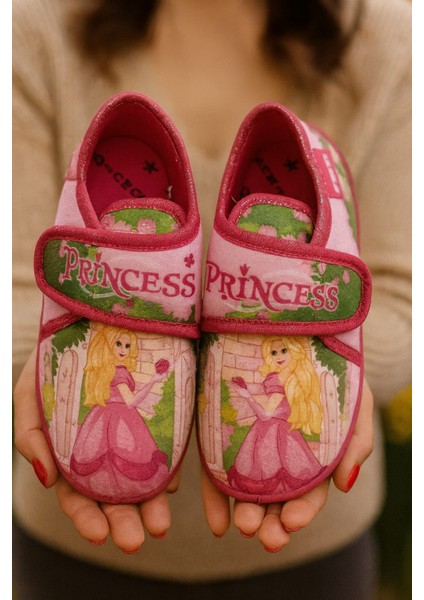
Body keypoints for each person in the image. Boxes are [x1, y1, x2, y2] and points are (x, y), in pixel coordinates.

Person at [12, 0, 411, 598]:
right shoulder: (38, 26)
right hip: (68, 550)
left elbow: (404, 300)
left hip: (314, 553)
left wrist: (331, 360)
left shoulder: (387, 42)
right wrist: (32, 354)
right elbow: (17, 286)